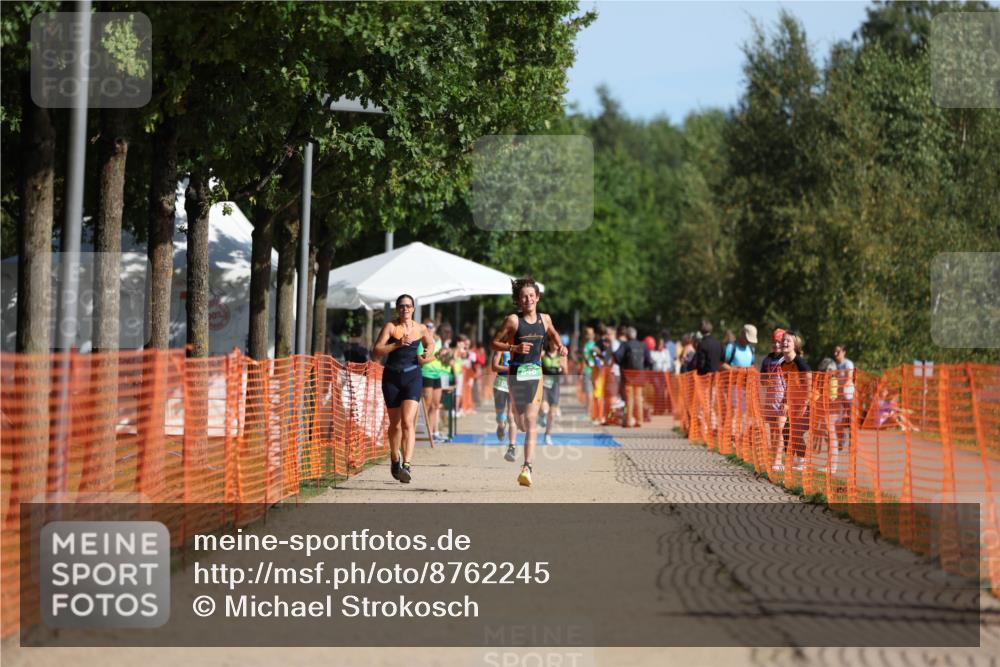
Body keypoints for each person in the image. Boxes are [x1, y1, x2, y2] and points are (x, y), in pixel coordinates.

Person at [491, 277, 567, 487]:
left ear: (538, 298)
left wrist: (560, 346)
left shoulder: (546, 319)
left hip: (535, 373)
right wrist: (513, 349)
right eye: (524, 297)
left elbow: (553, 334)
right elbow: (494, 342)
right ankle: (521, 447)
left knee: (531, 422)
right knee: (521, 423)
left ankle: (527, 468)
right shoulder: (513, 321)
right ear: (518, 300)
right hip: (515, 375)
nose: (528, 300)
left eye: (532, 296)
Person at [372, 294, 435, 484]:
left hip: (412, 376)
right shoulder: (391, 327)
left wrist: (427, 351)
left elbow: (430, 343)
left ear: (413, 309)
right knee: (395, 424)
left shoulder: (421, 328)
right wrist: (396, 344)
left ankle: (407, 465)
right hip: (391, 377)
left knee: (408, 422)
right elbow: (376, 351)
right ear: (397, 309)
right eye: (401, 306)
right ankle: (394, 457)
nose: (405, 309)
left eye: (408, 306)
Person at [779, 330, 811, 472]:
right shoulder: (783, 364)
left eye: (788, 341)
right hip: (794, 402)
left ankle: (802, 462)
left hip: (807, 401)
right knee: (787, 430)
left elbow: (809, 380)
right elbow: (789, 385)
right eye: (783, 340)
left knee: (796, 431)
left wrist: (805, 402)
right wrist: (785, 400)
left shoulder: (800, 362)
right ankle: (797, 461)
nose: (785, 343)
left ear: (795, 345)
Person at [760, 328, 787, 471]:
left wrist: (786, 401)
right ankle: (773, 458)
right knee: (773, 430)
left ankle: (778, 460)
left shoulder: (786, 360)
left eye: (779, 342)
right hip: (770, 400)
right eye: (774, 342)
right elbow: (762, 379)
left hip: (782, 400)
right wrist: (766, 382)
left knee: (780, 429)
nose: (776, 345)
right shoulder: (767, 360)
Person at [615, 326, 652, 427]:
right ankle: (639, 421)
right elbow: (649, 361)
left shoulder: (625, 345)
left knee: (629, 399)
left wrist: (622, 365)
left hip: (628, 375)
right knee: (638, 398)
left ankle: (628, 421)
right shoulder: (643, 345)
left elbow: (617, 356)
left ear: (627, 335)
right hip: (640, 375)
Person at [417, 319, 446, 443]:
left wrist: (446, 356)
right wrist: (437, 356)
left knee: (435, 405)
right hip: (426, 374)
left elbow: (441, 359)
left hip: (437, 375)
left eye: (432, 326)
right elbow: (421, 361)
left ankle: (433, 433)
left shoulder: (438, 340)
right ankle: (425, 433)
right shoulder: (421, 342)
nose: (429, 328)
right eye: (427, 326)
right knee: (426, 406)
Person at [491, 349, 519, 461]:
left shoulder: (520, 348)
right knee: (500, 416)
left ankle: (511, 448)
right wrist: (510, 368)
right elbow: (494, 367)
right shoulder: (501, 349)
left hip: (514, 384)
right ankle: (501, 426)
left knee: (511, 416)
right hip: (500, 384)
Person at [540, 339, 567, 444]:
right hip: (544, 384)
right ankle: (541, 416)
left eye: (557, 343)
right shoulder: (543, 354)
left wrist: (563, 368)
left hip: (555, 386)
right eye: (553, 342)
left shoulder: (561, 356)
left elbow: (566, 372)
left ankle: (547, 435)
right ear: (549, 342)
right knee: (544, 409)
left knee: (552, 413)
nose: (555, 344)